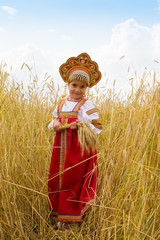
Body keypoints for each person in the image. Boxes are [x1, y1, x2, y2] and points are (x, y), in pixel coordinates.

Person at [48, 52, 102, 230]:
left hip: (78, 149)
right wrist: (56, 123)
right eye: (74, 85)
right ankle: (60, 216)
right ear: (67, 84)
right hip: (60, 147)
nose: (77, 90)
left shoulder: (85, 104)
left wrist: (81, 126)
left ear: (87, 88)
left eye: (82, 86)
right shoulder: (61, 104)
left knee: (73, 179)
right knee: (58, 178)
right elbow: (53, 122)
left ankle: (73, 219)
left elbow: (97, 126)